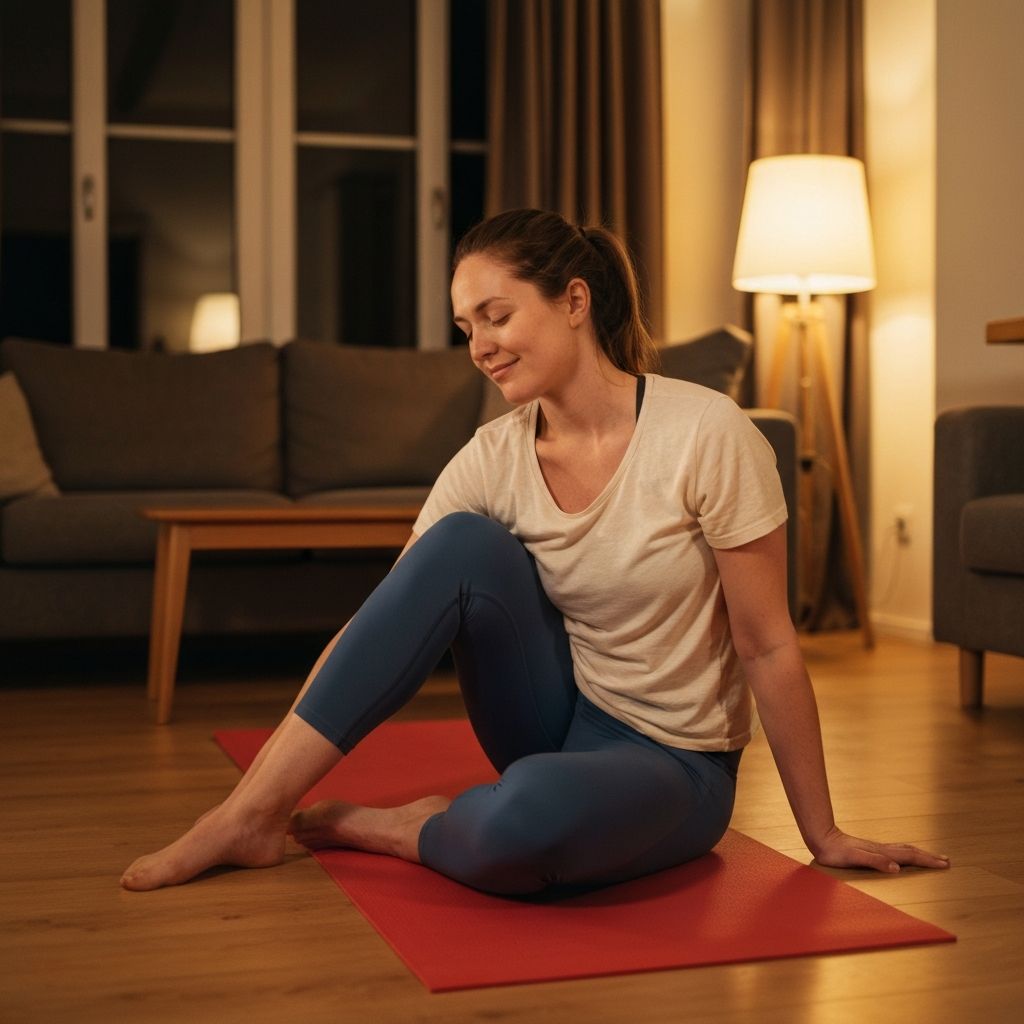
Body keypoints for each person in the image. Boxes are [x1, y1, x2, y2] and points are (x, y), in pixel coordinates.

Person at [121, 209, 949, 895]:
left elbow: (767, 644)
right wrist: (263, 782)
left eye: (497, 315)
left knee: (517, 829)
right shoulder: (491, 454)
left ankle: (405, 828)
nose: (478, 344)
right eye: (465, 326)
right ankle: (247, 818)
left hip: (675, 766)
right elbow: (388, 619)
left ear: (575, 301)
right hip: (551, 717)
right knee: (458, 547)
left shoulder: (706, 434)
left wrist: (824, 832)